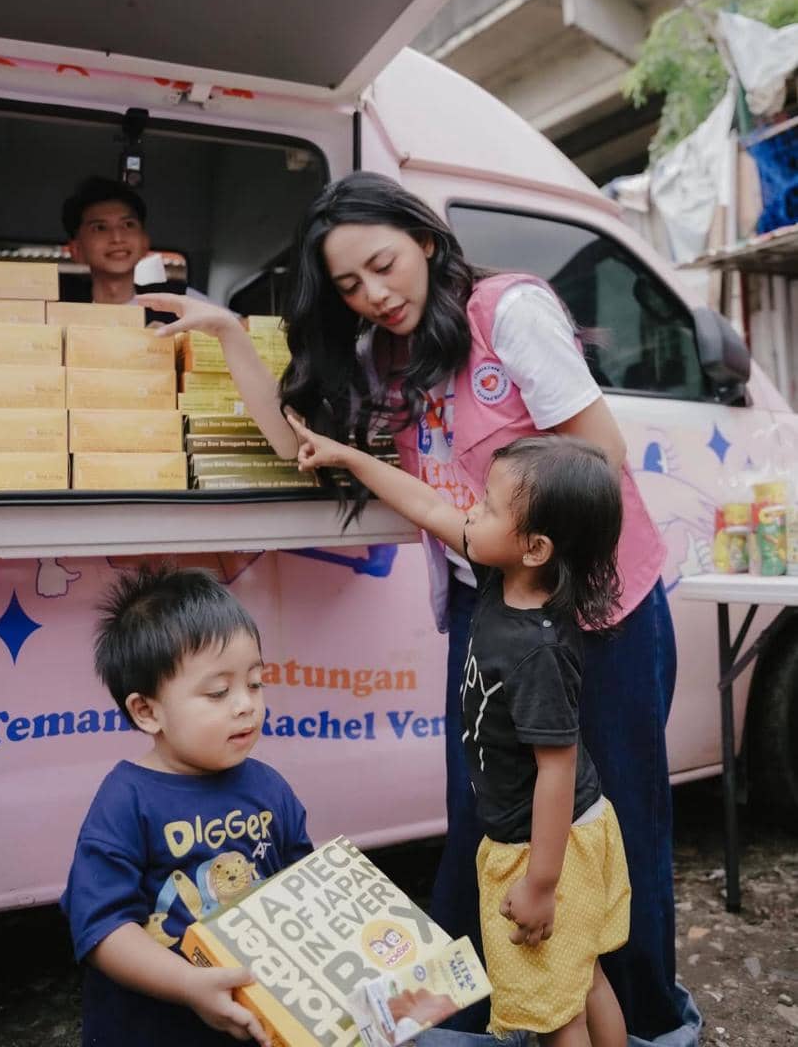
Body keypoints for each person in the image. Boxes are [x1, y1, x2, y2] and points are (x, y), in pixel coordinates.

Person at [140, 172, 699, 1046]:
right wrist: (226, 339)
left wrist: (515, 551)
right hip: (491, 615)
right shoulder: (378, 360)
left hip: (597, 609)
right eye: (351, 287)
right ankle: (493, 1019)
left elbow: (599, 455)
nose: (375, 295)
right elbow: (301, 447)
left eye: (383, 265)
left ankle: (651, 1025)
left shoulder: (506, 313)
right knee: (486, 822)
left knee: (615, 822)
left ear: (426, 240)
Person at [290, 426, 631, 1046]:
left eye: (487, 507)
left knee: (557, 1013)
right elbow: (424, 504)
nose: (470, 512)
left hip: (546, 846)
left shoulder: (538, 652)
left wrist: (540, 884)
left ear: (535, 547)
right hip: (560, 834)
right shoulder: (506, 576)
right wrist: (347, 456)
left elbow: (557, 768)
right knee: (582, 977)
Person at [60, 564, 313, 1047]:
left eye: (256, 683)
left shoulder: (270, 787)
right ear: (147, 711)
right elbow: (101, 928)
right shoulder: (125, 801)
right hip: (152, 1030)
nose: (245, 704)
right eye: (218, 692)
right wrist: (188, 985)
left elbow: (305, 889)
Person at [61, 176, 203, 306]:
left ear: (144, 242)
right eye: (100, 228)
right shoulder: (55, 307)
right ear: (76, 249)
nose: (117, 238)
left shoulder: (183, 303)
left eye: (128, 225)